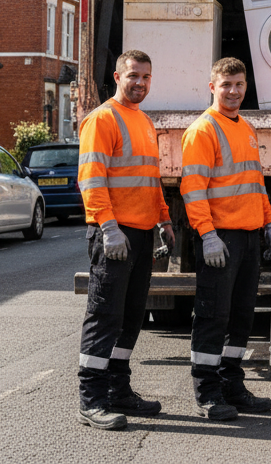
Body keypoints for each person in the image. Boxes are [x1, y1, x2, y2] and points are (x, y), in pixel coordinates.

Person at [75, 50, 175, 430]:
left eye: (147, 77)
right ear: (117, 77)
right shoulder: (102, 119)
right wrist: (108, 227)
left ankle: (119, 390)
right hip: (113, 233)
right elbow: (91, 179)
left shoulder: (145, 122)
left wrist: (164, 219)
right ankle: (92, 399)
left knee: (131, 317)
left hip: (141, 233)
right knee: (105, 316)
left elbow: (150, 180)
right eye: (133, 75)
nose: (140, 83)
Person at [181, 57, 271, 420]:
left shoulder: (248, 129)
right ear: (212, 87)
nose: (233, 91)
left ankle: (232, 384)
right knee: (212, 315)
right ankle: (207, 391)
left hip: (249, 236)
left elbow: (256, 183)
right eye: (226, 85)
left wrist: (269, 223)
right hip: (220, 239)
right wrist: (207, 235)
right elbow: (193, 189)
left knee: (240, 316)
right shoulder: (203, 130)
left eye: (239, 85)